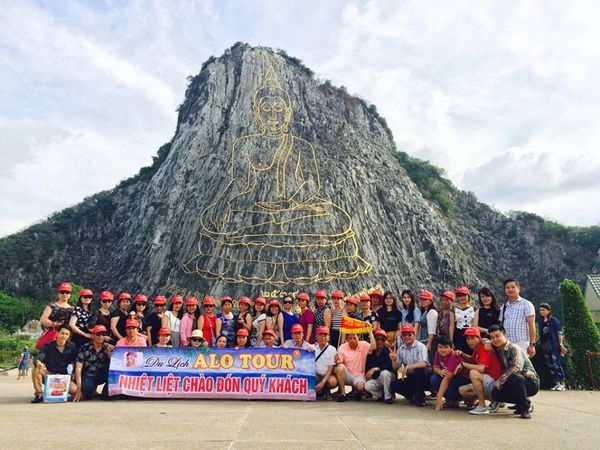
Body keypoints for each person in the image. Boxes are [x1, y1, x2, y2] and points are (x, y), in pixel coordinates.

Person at [183, 65, 372, 285]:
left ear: (288, 112)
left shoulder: (301, 146)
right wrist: (224, 202)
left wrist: (289, 204)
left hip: (295, 209)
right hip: (255, 207)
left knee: (333, 218)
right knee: (221, 218)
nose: (273, 115)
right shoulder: (245, 144)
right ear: (256, 111)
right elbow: (240, 181)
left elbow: (311, 184)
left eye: (279, 109)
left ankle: (275, 233)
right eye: (266, 109)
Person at [488, 325, 539, 419]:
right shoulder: (499, 349)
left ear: (505, 335)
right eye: (492, 337)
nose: (495, 340)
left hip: (530, 382)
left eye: (497, 336)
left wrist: (500, 380)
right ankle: (522, 402)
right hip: (515, 382)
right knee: (495, 394)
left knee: (514, 377)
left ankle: (524, 409)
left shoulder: (514, 348)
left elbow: (517, 368)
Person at [456, 327, 503, 415]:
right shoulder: (477, 348)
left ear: (479, 338)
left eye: (472, 338)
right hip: (488, 381)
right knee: (463, 390)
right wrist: (462, 354)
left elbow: (481, 368)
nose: (469, 341)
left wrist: (463, 364)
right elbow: (472, 360)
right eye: (468, 339)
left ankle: (482, 406)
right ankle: (495, 400)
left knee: (474, 373)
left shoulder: (484, 347)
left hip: (496, 382)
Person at [31, 324, 78, 403]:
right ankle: (39, 395)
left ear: (69, 336)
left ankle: (62, 394)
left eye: (67, 334)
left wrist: (73, 372)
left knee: (75, 390)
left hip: (64, 377)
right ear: (57, 333)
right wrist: (38, 362)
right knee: (35, 369)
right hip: (50, 375)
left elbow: (76, 361)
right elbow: (39, 356)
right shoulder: (48, 346)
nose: (64, 336)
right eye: (62, 333)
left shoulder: (72, 346)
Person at [390, 324, 429, 406]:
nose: (407, 337)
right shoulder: (401, 349)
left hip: (424, 375)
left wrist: (408, 367)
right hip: (410, 375)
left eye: (409, 334)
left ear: (414, 335)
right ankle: (413, 395)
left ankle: (420, 398)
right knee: (394, 385)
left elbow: (424, 363)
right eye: (404, 335)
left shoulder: (421, 346)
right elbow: (396, 368)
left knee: (419, 370)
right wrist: (393, 360)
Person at [73, 325, 114, 401]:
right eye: (98, 334)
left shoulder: (108, 347)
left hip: (102, 374)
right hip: (88, 375)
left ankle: (106, 393)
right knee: (87, 392)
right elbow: (78, 368)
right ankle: (91, 391)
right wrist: (79, 389)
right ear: (92, 336)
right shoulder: (85, 347)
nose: (101, 336)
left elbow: (114, 365)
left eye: (103, 334)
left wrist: (109, 354)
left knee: (113, 372)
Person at [334, 327, 376, 402]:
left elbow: (374, 346)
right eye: (350, 338)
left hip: (359, 375)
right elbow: (340, 362)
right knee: (340, 367)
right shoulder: (342, 347)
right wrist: (336, 361)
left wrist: (370, 331)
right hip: (347, 375)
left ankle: (358, 391)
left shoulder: (363, 344)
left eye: (355, 338)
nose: (353, 340)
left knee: (360, 387)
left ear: (358, 338)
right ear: (347, 339)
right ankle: (343, 394)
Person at [499, 278, 536, 358]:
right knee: (508, 365)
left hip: (522, 343)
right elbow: (501, 326)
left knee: (520, 365)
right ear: (505, 290)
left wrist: (532, 344)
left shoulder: (526, 304)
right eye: (507, 287)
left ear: (518, 289)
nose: (510, 289)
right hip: (507, 344)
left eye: (513, 287)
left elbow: (531, 325)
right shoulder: (504, 307)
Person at [537, 303, 567, 391]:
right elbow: (540, 334)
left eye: (544, 310)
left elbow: (559, 332)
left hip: (554, 345)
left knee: (556, 364)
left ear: (549, 311)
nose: (542, 311)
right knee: (550, 365)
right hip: (545, 346)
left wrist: (561, 344)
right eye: (540, 310)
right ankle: (557, 383)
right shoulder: (541, 322)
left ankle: (563, 384)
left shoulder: (554, 320)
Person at [429, 336, 463, 411]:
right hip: (447, 377)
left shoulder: (454, 356)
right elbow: (435, 367)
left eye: (446, 347)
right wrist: (440, 371)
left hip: (458, 378)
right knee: (434, 379)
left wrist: (439, 397)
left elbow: (448, 378)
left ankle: (456, 399)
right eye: (440, 347)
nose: (443, 350)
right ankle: (450, 399)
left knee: (450, 392)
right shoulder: (438, 353)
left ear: (451, 348)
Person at [364, 329, 395, 404]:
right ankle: (383, 395)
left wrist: (375, 369)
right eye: (377, 339)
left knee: (384, 373)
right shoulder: (370, 352)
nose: (380, 341)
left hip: (389, 377)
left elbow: (389, 365)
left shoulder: (388, 351)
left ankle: (388, 397)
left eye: (382, 339)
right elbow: (367, 367)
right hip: (377, 378)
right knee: (367, 386)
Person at [313, 326, 337, 399]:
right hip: (316, 375)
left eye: (325, 335)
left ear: (328, 337)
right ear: (317, 337)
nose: (323, 338)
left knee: (332, 382)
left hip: (327, 375)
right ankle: (316, 391)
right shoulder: (312, 348)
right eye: (320, 335)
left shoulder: (332, 349)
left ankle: (326, 390)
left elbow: (330, 369)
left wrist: (323, 382)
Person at [453, 286, 476, 354]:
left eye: (464, 295)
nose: (462, 297)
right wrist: (451, 341)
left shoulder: (474, 309)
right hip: (458, 335)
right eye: (460, 296)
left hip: (471, 335)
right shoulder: (453, 310)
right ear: (457, 297)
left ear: (468, 296)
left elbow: (475, 324)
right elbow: (451, 326)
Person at [417, 291, 438, 359]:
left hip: (427, 341)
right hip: (423, 340)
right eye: (421, 299)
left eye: (425, 299)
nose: (422, 301)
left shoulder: (432, 312)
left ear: (430, 301)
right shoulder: (425, 312)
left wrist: (429, 343)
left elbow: (432, 330)